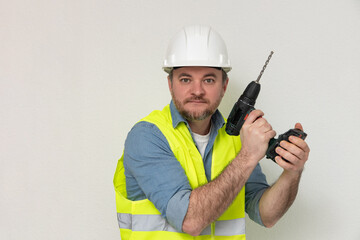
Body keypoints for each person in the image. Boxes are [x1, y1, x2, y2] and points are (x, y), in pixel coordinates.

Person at [113, 25, 310, 239]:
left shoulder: (236, 138)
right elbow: (190, 220)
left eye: (208, 80)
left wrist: (292, 172)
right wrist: (248, 156)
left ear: (224, 86)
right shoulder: (148, 136)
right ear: (170, 85)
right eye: (185, 79)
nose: (197, 90)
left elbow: (266, 215)